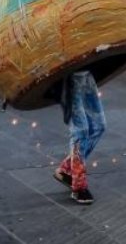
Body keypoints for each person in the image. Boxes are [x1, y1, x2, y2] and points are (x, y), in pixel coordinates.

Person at [53, 71, 105, 205]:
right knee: (80, 132)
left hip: (87, 74)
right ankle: (79, 187)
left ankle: (65, 170)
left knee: (98, 127)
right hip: (69, 78)